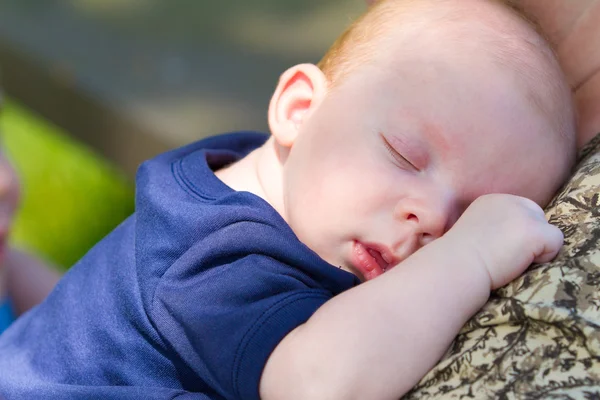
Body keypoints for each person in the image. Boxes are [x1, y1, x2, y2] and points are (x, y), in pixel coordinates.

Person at [0, 0, 577, 399]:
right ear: (299, 109)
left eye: (467, 218)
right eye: (404, 155)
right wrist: (471, 257)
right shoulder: (221, 261)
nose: (430, 220)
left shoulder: (259, 181)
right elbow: (318, 385)